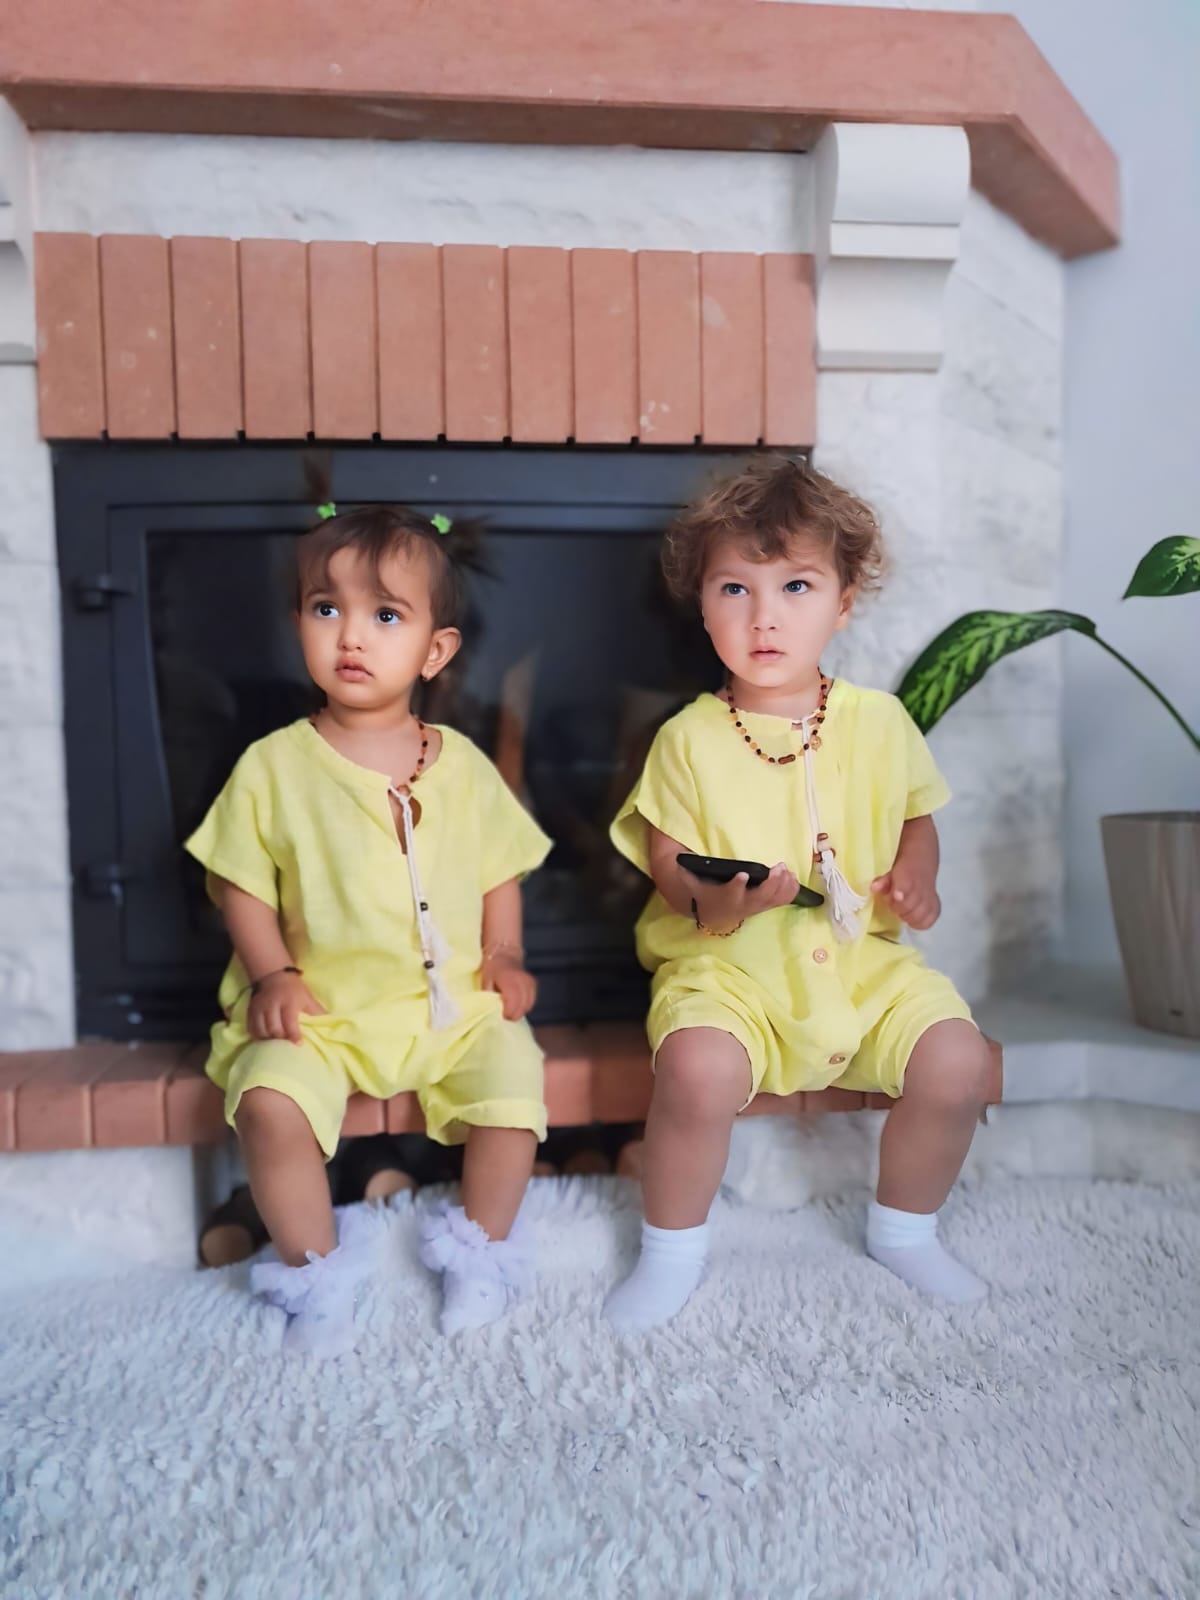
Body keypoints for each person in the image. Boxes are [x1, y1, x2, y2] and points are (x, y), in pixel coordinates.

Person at [605, 457, 993, 1332]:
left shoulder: (880, 722)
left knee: (957, 1060)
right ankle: (670, 1251)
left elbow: (917, 817)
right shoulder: (688, 739)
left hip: (861, 967)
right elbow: (668, 864)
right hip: (730, 973)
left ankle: (906, 1230)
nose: (765, 616)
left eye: (796, 586)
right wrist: (717, 903)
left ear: (843, 603)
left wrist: (917, 874)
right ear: (702, 605)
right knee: (696, 1069)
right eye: (734, 589)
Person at [186, 504, 549, 1352]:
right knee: (268, 1103)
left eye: (385, 616)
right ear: (299, 625)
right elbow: (240, 883)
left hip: (450, 1008)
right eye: (327, 608)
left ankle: (481, 1252)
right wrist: (274, 974)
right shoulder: (274, 765)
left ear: (435, 651)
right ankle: (314, 1276)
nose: (351, 635)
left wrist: (504, 955)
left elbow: (499, 869)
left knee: (514, 1086)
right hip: (322, 1011)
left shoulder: (462, 764)